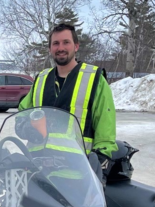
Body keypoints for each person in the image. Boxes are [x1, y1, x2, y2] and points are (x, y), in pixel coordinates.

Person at [18, 23, 117, 168]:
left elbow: (105, 128)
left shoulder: (94, 79)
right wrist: (24, 126)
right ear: (50, 48)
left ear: (76, 46)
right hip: (38, 169)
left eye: (66, 42)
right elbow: (23, 112)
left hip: (77, 171)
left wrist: (100, 162)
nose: (61, 48)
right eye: (56, 43)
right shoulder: (41, 79)